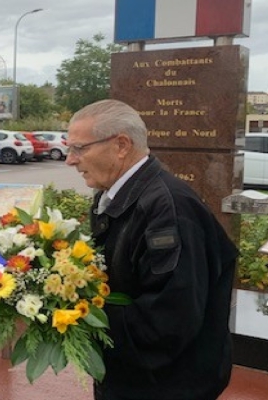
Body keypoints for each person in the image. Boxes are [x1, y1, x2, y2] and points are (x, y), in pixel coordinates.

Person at [65, 99, 238, 400]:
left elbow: (167, 321)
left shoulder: (168, 210)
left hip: (165, 386)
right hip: (133, 375)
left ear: (121, 145)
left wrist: (73, 313)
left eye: (79, 148)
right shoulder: (114, 195)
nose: (70, 160)